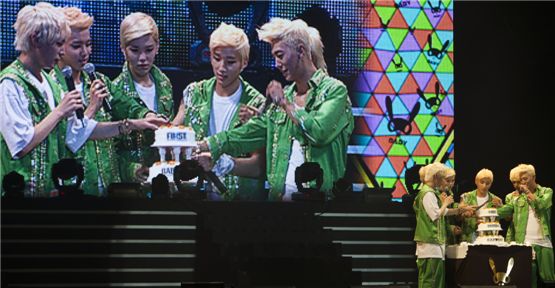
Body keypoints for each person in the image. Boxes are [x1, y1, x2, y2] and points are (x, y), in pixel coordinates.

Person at [197, 18, 354, 201]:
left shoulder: (334, 91)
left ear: (300, 51)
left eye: (280, 55)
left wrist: (285, 104)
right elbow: (250, 132)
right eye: (274, 57)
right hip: (278, 206)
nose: (276, 64)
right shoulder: (286, 95)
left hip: (319, 207)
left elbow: (318, 132)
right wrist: (208, 144)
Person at [50, 7, 165, 196]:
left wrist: (146, 116)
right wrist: (93, 107)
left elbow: (126, 104)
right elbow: (68, 140)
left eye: (89, 44)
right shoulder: (52, 87)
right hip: (73, 187)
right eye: (77, 46)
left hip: (109, 184)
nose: (85, 52)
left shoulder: (97, 80)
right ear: (60, 46)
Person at [0, 2, 86, 197]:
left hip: (47, 194)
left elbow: (70, 135)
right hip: (17, 197)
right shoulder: (10, 83)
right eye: (57, 43)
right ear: (35, 40)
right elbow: (20, 145)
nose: (61, 51)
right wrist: (58, 112)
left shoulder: (49, 80)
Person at [172, 22, 266, 201]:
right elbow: (174, 136)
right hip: (193, 196)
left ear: (244, 63)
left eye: (230, 62)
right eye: (216, 58)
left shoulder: (256, 103)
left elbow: (259, 167)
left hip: (238, 203)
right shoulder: (193, 93)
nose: (222, 68)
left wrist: (224, 164)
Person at [111, 12, 174, 182]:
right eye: (134, 50)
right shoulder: (114, 91)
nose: (142, 58)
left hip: (164, 180)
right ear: (123, 49)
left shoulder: (165, 85)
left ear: (158, 46)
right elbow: (107, 148)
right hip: (129, 186)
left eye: (148, 50)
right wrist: (131, 170)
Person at [497, 164, 554, 287]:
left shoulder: (546, 191)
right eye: (521, 179)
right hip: (525, 241)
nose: (522, 182)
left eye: (525, 179)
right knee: (529, 275)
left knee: (548, 278)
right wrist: (488, 211)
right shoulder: (517, 198)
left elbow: (542, 205)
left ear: (533, 177)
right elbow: (507, 210)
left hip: (543, 240)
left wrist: (528, 192)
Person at [413, 162, 468, 287]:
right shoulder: (427, 193)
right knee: (430, 280)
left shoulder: (431, 193)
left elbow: (443, 213)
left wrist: (459, 210)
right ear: (436, 177)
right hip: (430, 243)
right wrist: (445, 203)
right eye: (442, 178)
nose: (444, 181)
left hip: (435, 244)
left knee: (437, 280)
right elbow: (435, 214)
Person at [459, 168, 503, 243]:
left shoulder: (496, 200)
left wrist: (501, 207)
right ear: (476, 182)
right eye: (482, 182)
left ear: (491, 184)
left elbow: (504, 218)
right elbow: (458, 217)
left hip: (488, 238)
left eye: (488, 183)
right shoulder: (466, 197)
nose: (484, 185)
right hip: (469, 237)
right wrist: (465, 214)